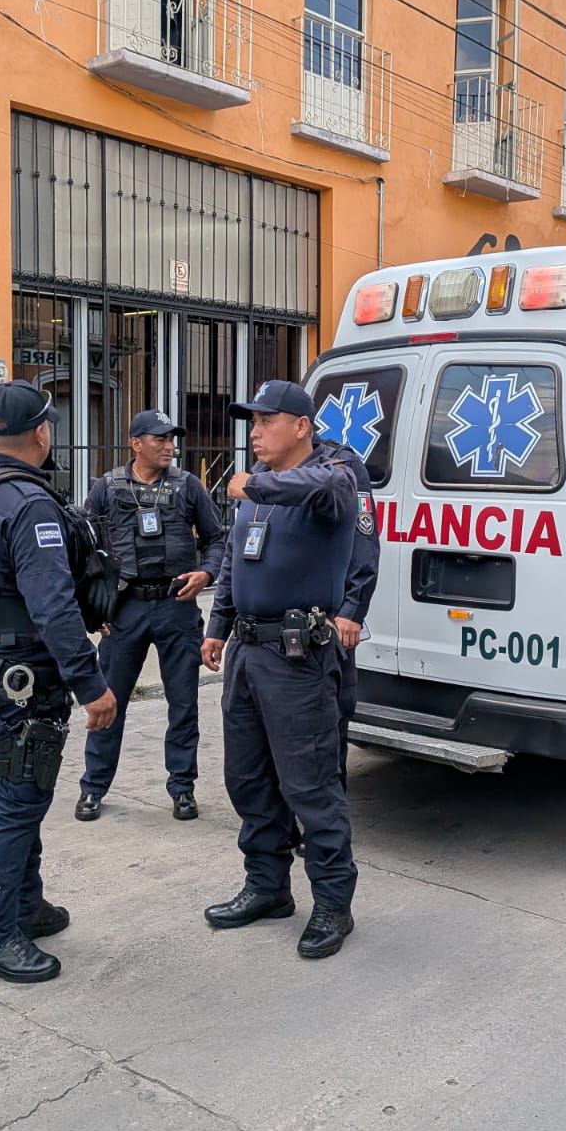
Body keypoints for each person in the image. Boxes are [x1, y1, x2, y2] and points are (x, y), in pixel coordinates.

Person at [0, 381, 117, 986]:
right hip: (18, 680)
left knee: (21, 791)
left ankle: (24, 904)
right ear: (41, 433)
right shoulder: (27, 503)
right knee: (16, 803)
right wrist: (91, 684)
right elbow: (54, 607)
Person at [201, 380, 360, 961]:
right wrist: (217, 625)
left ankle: (333, 904)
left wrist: (255, 483)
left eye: (267, 421)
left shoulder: (331, 479)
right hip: (248, 653)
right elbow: (234, 562)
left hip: (299, 660)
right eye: (253, 422)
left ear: (301, 427)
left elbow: (327, 487)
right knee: (248, 779)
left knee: (310, 786)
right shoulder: (257, 490)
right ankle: (268, 887)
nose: (255, 432)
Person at [75, 410, 225, 824]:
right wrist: (93, 609)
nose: (169, 446)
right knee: (108, 701)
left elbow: (217, 539)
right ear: (136, 443)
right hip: (126, 609)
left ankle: (182, 787)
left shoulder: (188, 486)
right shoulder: (107, 488)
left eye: (172, 439)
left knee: (184, 704)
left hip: (177, 606)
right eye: (160, 439)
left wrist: (206, 573)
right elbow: (85, 551)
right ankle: (93, 787)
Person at [312, 430, 379, 789]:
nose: (257, 432)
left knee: (331, 715)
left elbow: (363, 541)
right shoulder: (265, 470)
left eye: (266, 421)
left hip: (328, 618)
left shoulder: (341, 463)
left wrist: (353, 608)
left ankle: (326, 807)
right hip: (278, 622)